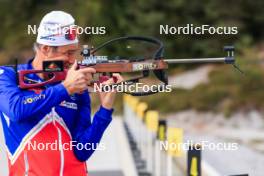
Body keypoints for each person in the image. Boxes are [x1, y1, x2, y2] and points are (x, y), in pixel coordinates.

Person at [0, 11, 121, 176]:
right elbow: (17, 110)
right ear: (46, 49)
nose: (72, 60)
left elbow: (82, 151)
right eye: (68, 53)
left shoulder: (76, 87)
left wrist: (105, 110)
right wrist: (65, 89)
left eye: (74, 52)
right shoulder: (8, 76)